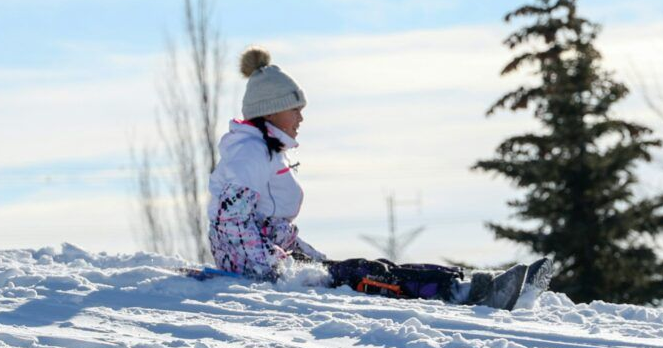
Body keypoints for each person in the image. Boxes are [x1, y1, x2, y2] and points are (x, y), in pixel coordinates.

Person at [207, 46, 545, 310]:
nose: (301, 117)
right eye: (294, 108)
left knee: (370, 268)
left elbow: (270, 226)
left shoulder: (263, 150)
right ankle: (466, 293)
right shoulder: (249, 154)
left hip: (276, 260)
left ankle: (480, 285)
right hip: (261, 269)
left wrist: (314, 262)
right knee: (366, 275)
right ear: (272, 109)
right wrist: (277, 274)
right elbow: (232, 224)